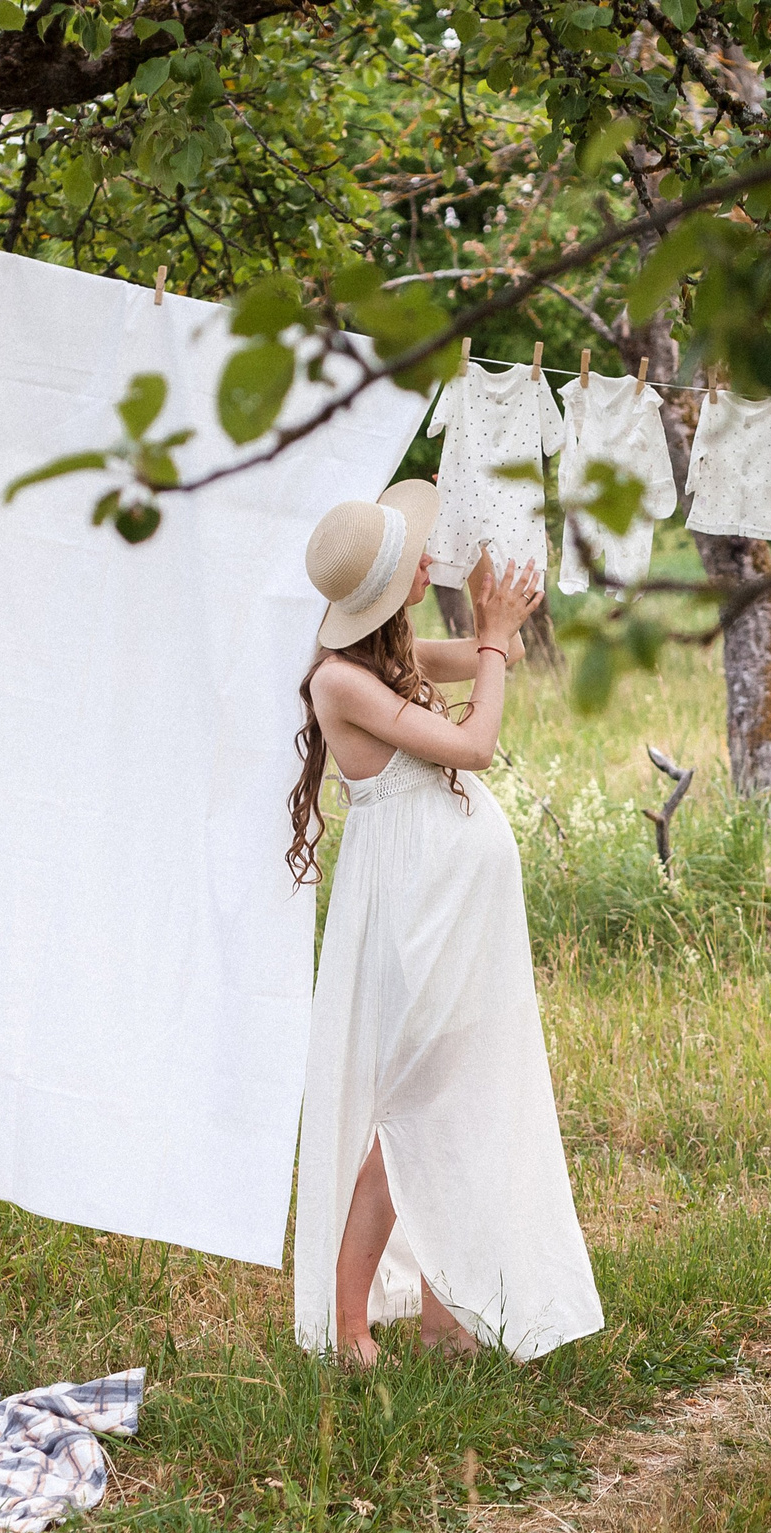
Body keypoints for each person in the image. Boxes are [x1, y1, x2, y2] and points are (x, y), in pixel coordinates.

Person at [286, 480, 606, 1367]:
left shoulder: (389, 652)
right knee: (405, 1115)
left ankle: (444, 1311)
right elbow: (473, 746)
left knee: (454, 1104)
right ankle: (348, 1328)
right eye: (418, 555)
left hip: (456, 912)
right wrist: (499, 642)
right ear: (387, 587)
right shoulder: (340, 680)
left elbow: (471, 656)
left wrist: (499, 626)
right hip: (415, 914)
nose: (432, 560)